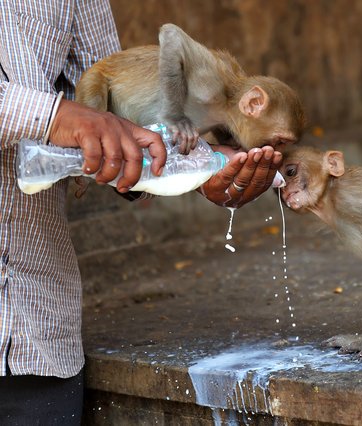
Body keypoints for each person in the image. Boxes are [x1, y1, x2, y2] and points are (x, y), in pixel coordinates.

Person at [0, 2, 282, 423]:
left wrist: (196, 166)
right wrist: (54, 115)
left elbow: (110, 106)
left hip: (37, 327)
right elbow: (79, 117)